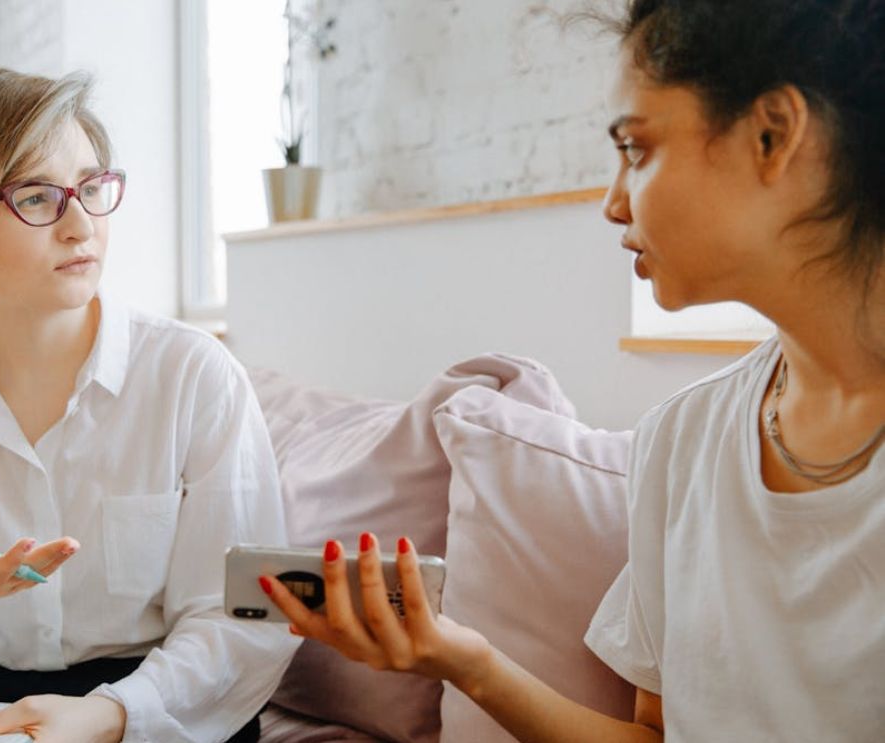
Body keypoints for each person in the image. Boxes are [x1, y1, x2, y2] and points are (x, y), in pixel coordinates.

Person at [263, 0, 885, 740]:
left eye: (635, 148)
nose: (612, 202)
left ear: (771, 134)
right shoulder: (680, 442)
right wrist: (463, 659)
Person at [0, 68, 298, 743]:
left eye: (91, 188)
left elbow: (245, 620)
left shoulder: (193, 376)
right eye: (36, 196)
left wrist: (113, 714)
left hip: (159, 704)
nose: (81, 225)